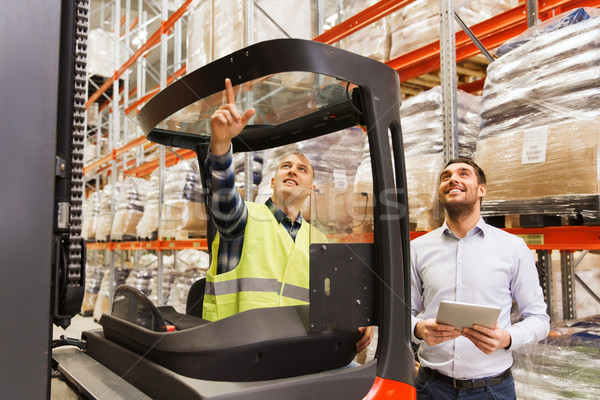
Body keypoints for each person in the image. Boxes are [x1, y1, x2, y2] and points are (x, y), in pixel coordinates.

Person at [201, 78, 372, 353]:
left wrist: (357, 322)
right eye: (286, 166)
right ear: (272, 181)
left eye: (302, 169)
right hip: (232, 353)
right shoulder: (244, 219)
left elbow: (333, 302)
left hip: (293, 355)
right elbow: (223, 196)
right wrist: (221, 145)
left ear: (312, 188)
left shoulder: (319, 240)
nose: (292, 170)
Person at [410, 158, 550, 399]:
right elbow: (403, 311)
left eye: (463, 174)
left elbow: (539, 318)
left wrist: (507, 338)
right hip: (432, 387)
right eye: (446, 177)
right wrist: (418, 328)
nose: (453, 179)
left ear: (481, 189)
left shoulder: (512, 248)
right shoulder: (417, 248)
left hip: (492, 390)